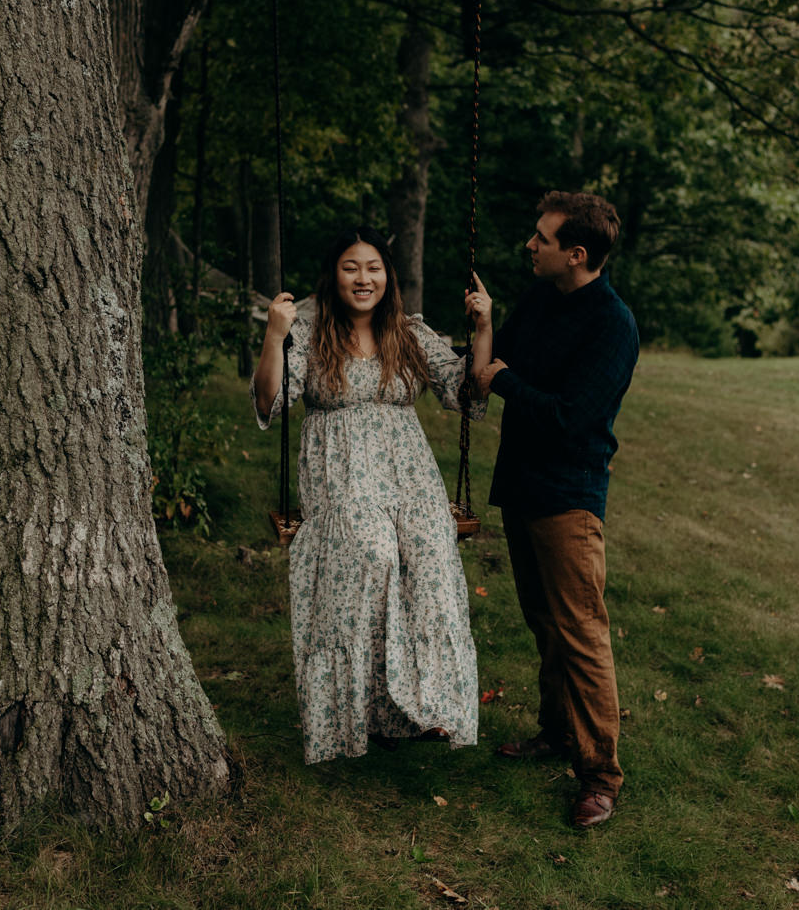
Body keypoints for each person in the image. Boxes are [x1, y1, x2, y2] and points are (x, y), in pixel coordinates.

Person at [252, 226, 493, 764]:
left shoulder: (408, 332)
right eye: (351, 267)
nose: (364, 278)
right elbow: (269, 402)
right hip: (342, 472)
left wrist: (483, 326)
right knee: (372, 555)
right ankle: (359, 712)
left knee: (432, 559)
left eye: (374, 268)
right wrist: (274, 335)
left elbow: (465, 389)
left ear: (388, 276)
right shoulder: (311, 333)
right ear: (333, 276)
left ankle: (426, 707)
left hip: (409, 474)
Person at [473, 191, 639, 829]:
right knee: (544, 622)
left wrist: (507, 382)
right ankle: (557, 732)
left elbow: (573, 418)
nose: (529, 246)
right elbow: (495, 360)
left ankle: (601, 776)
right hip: (521, 485)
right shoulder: (542, 297)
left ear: (577, 254)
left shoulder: (612, 323)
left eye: (541, 239)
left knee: (582, 633)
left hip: (569, 497)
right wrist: (486, 324)